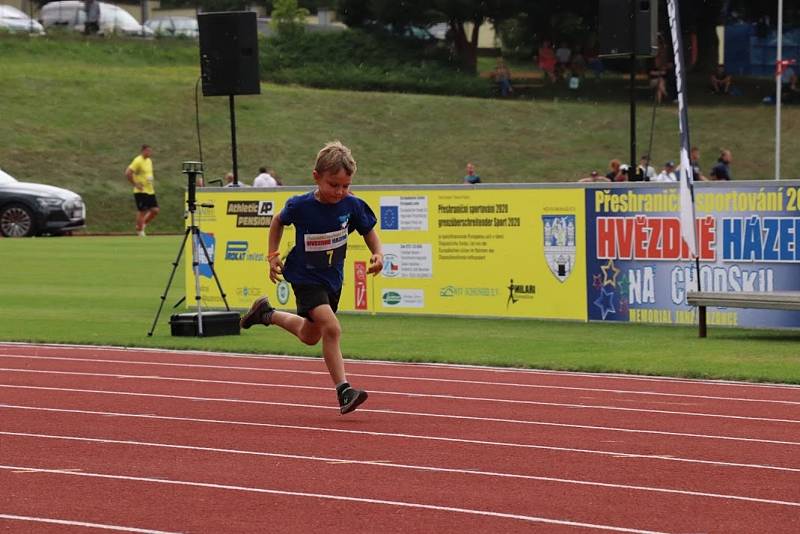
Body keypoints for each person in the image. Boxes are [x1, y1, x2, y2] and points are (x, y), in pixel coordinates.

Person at [240, 141, 383, 415]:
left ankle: (265, 314)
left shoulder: (352, 205)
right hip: (304, 276)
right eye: (333, 185)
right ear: (316, 177)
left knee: (309, 335)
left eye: (345, 185)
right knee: (332, 328)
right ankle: (344, 391)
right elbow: (278, 221)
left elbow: (369, 232)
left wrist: (378, 254)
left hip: (332, 279)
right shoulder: (301, 205)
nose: (340, 191)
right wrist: (272, 255)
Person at [125, 144, 158, 237]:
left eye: (150, 151)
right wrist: (135, 184)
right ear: (143, 151)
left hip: (150, 190)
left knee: (155, 210)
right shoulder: (137, 161)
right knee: (142, 211)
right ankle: (140, 231)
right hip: (141, 191)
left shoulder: (149, 161)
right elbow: (128, 173)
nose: (150, 153)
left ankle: (142, 224)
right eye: (148, 151)